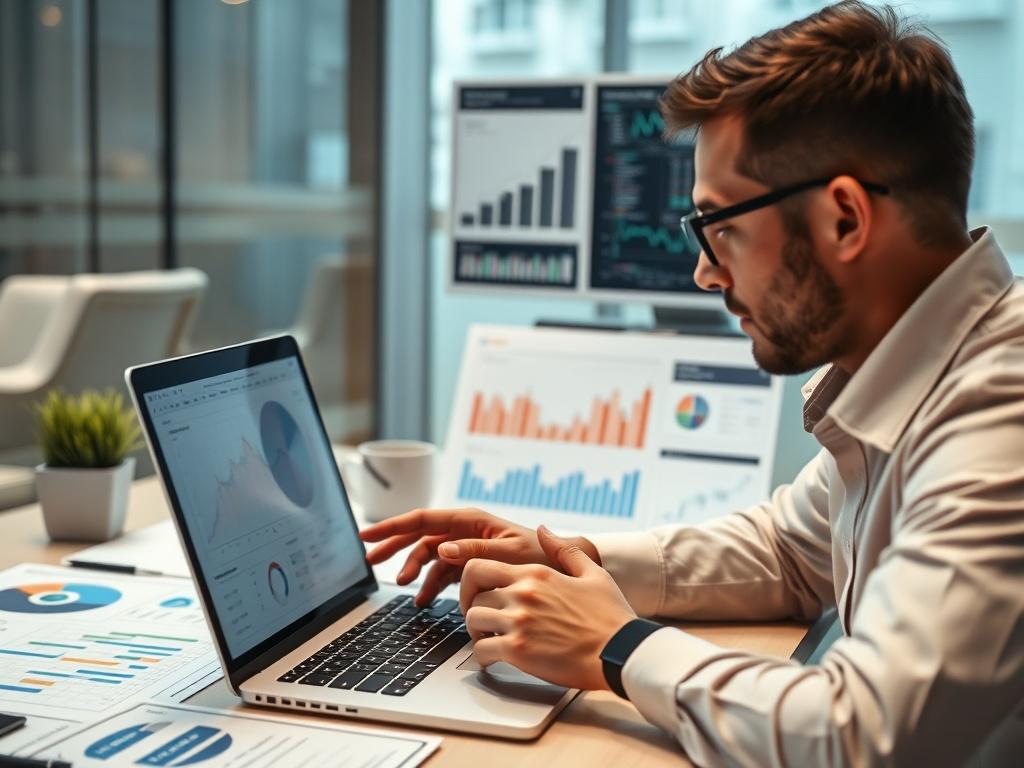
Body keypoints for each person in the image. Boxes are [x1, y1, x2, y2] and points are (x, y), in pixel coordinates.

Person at [361, 2, 1024, 765]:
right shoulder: (922, 368)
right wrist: (572, 562)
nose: (705, 271)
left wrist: (617, 646)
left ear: (844, 218)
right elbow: (787, 550)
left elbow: (860, 736)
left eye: (721, 226)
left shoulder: (1000, 411)